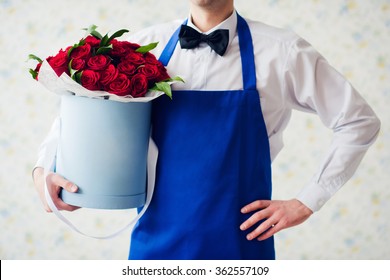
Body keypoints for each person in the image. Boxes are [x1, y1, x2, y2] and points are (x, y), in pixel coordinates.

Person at [33, 0, 380, 259]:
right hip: (153, 246)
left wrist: (307, 200)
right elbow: (77, 113)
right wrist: (45, 171)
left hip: (240, 248)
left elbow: (358, 121)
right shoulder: (140, 50)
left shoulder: (282, 52)